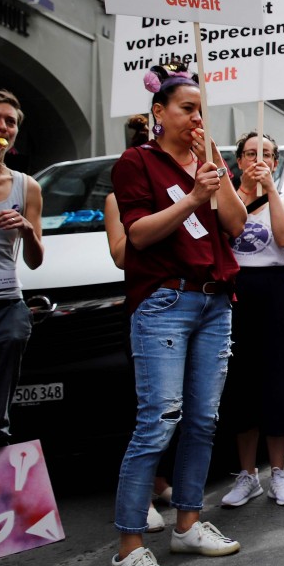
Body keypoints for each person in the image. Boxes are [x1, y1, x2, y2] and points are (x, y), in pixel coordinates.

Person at [109, 63, 246, 566]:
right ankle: (128, 548)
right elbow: (138, 236)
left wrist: (215, 173)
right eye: (187, 109)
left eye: (201, 111)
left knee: (204, 420)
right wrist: (191, 197)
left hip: (215, 303)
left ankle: (187, 523)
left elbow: (236, 225)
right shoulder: (135, 163)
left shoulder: (207, 163)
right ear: (158, 115)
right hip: (165, 302)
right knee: (158, 420)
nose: (196, 118)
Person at [219, 132, 284, 507]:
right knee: (241, 382)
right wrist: (242, 192)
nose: (259, 159)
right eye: (252, 153)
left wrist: (269, 190)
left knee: (279, 379)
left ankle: (278, 473)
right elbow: (229, 230)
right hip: (238, 290)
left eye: (267, 154)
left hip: (277, 289)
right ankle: (247, 475)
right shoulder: (226, 198)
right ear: (239, 161)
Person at [104, 115, 173, 532]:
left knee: (180, 409)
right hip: (149, 303)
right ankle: (140, 495)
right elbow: (121, 254)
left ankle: (163, 482)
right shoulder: (120, 197)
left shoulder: (181, 184)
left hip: (181, 302)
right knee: (151, 410)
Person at [0, 89, 43, 450]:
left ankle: (1, 501)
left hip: (7, 305)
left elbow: (36, 259)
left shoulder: (27, 186)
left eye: (10, 121)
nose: (2, 125)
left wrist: (25, 227)